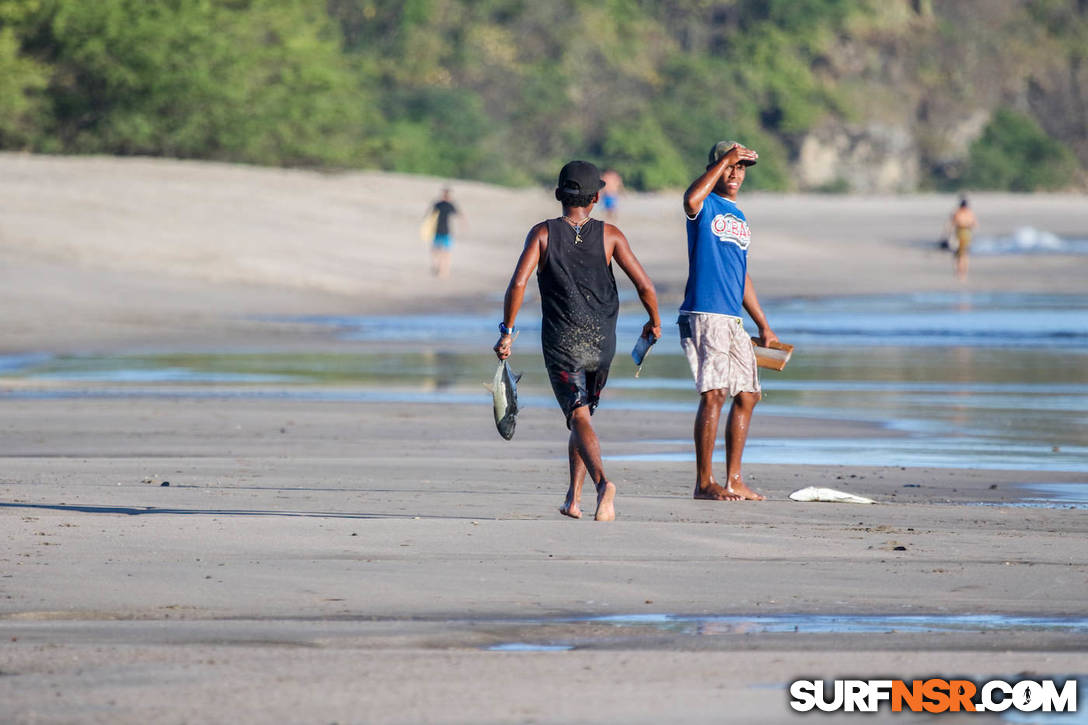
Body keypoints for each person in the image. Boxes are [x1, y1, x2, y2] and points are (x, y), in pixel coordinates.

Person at [494, 160, 661, 521]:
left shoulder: (542, 233)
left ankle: (603, 483)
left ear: (558, 195)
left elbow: (518, 284)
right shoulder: (611, 235)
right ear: (597, 197)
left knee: (578, 414)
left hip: (563, 342)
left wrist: (507, 331)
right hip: (602, 342)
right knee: (581, 414)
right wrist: (654, 322)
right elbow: (645, 286)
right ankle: (573, 498)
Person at [679, 141, 778, 502]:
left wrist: (763, 324)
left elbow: (742, 274)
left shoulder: (739, 217)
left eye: (740, 169)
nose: (735, 175)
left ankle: (733, 478)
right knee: (715, 393)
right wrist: (724, 160)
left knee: (748, 394)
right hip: (704, 313)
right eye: (730, 168)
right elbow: (689, 200)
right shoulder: (704, 204)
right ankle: (704, 482)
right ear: (717, 167)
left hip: (732, 318)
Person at [428, 188, 460, 278]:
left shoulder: (450, 205)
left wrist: (463, 226)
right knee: (436, 251)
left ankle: (444, 271)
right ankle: (438, 267)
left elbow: (459, 215)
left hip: (446, 232)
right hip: (437, 230)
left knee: (446, 252)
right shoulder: (438, 204)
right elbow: (431, 216)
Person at [949, 197, 978, 281]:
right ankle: (963, 272)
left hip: (961, 233)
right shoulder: (970, 213)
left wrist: (949, 235)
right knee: (964, 254)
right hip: (967, 233)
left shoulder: (958, 213)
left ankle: (961, 273)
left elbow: (953, 224)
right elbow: (975, 225)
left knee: (960, 254)